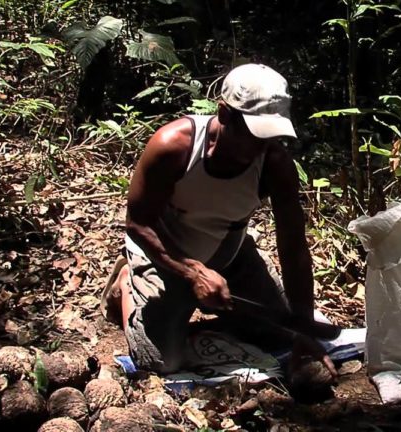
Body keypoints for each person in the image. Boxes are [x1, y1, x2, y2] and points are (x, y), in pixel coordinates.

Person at [101, 63, 338, 378]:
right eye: (255, 135)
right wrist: (193, 272)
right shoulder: (175, 147)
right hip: (166, 253)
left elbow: (293, 248)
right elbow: (138, 223)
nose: (260, 147)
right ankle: (127, 283)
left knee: (280, 334)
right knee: (160, 362)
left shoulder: (275, 164)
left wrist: (306, 327)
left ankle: (209, 305)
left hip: (228, 252)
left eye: (269, 138)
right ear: (225, 114)